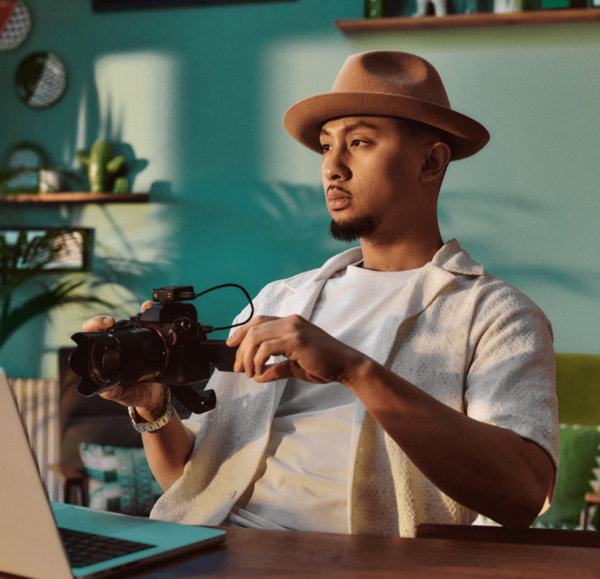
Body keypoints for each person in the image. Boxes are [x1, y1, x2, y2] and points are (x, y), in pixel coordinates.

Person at [83, 51, 559, 537]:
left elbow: (523, 495)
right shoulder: (279, 300)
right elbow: (196, 489)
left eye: (359, 142)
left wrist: (354, 369)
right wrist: (152, 406)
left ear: (431, 161)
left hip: (350, 565)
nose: (332, 167)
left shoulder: (497, 316)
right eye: (327, 147)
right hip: (208, 551)